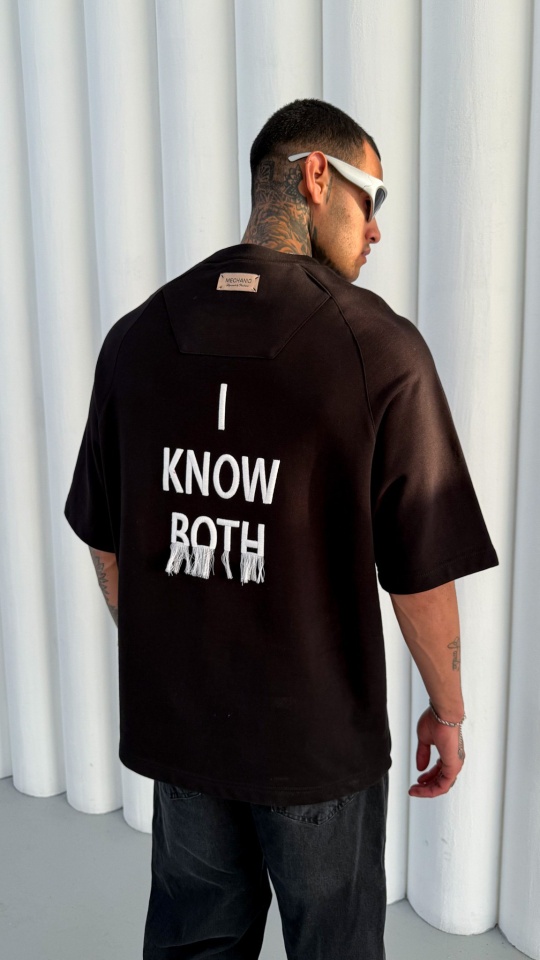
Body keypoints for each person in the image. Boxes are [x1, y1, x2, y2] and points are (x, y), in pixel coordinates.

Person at [64, 98, 499, 959]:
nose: (376, 229)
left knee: (195, 944)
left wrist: (174, 649)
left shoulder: (137, 337)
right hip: (316, 748)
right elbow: (419, 575)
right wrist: (447, 712)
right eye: (371, 198)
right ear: (316, 177)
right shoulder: (379, 349)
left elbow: (104, 537)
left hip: (183, 735)